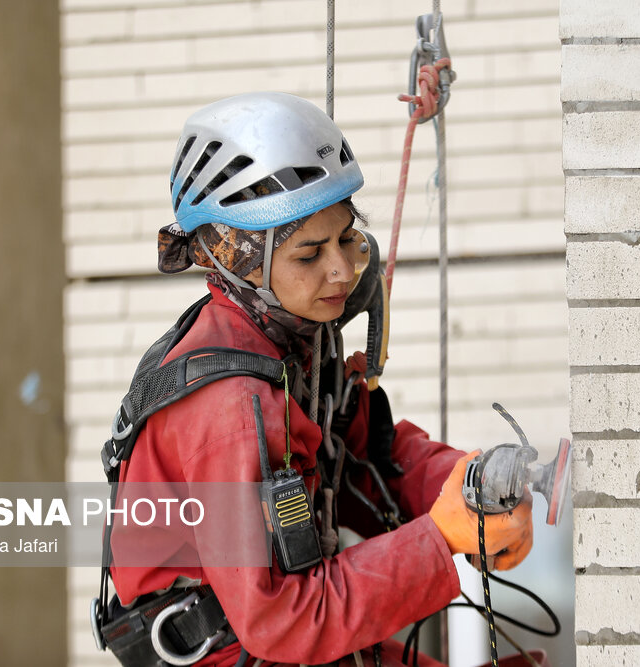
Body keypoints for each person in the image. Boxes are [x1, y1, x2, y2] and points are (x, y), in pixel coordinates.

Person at [104, 92, 534, 666]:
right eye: (309, 253)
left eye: (345, 240)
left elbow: (367, 454)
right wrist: (440, 538)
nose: (342, 269)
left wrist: (471, 484)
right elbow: (281, 619)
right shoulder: (231, 409)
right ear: (242, 261)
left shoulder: (292, 339)